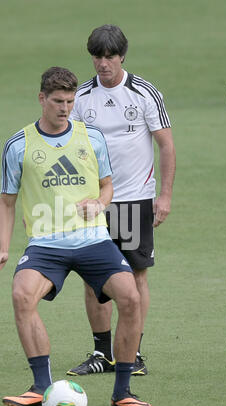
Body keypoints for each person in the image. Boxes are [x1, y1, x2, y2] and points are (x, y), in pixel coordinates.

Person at [0, 66, 152, 406]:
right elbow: (6, 203)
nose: (65, 108)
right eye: (58, 101)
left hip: (93, 240)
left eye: (70, 100)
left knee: (131, 298)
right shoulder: (18, 145)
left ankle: (122, 391)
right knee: (22, 295)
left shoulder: (91, 137)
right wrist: (3, 249)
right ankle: (41, 387)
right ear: (42, 99)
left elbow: (108, 185)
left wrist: (100, 202)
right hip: (46, 245)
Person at [67, 25, 176, 377]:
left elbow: (166, 146)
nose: (103, 64)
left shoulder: (143, 93)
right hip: (95, 204)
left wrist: (165, 196)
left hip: (133, 202)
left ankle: (133, 353)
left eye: (109, 56)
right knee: (92, 278)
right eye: (97, 57)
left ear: (122, 56)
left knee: (135, 277)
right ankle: (102, 354)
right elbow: (70, 148)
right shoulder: (81, 97)